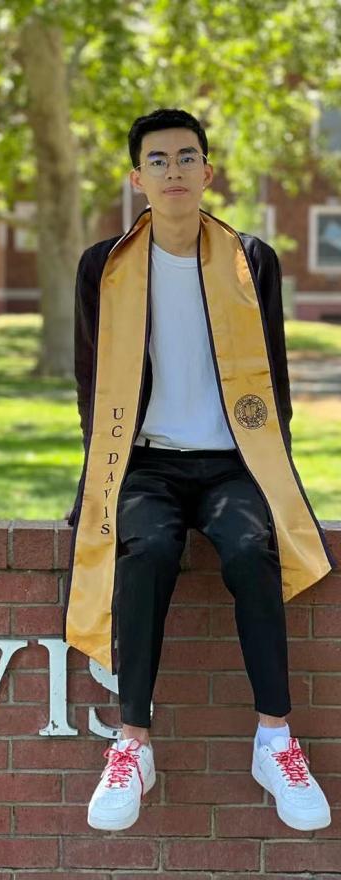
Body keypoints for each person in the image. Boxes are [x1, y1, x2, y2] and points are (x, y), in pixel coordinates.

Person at [63, 108, 335, 834]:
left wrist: (273, 473)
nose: (174, 170)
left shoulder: (251, 258)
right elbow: (91, 378)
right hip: (146, 464)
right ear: (136, 178)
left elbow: (270, 377)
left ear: (208, 172)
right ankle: (132, 744)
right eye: (159, 160)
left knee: (250, 547)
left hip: (231, 465)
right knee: (146, 549)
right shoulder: (106, 265)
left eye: (188, 158)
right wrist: (102, 476)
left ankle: (275, 739)